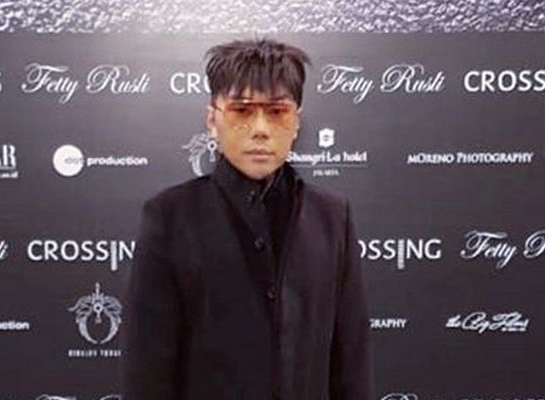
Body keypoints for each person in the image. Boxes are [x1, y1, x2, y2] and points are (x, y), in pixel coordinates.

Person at [124, 38, 372, 400]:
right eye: (241, 111)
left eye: (277, 111)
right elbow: (148, 371)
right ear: (212, 120)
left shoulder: (332, 217)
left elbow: (350, 365)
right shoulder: (169, 217)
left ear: (296, 122)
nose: (260, 129)